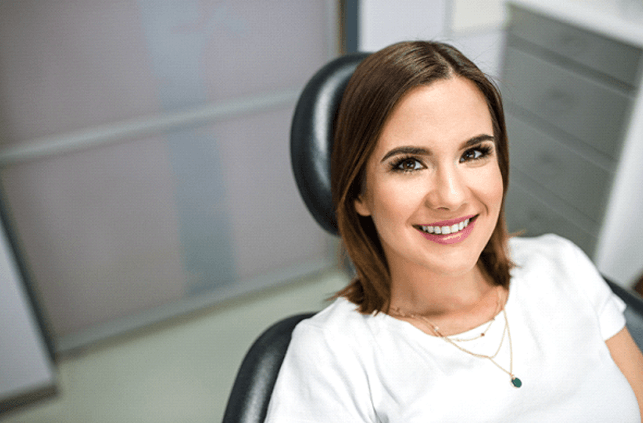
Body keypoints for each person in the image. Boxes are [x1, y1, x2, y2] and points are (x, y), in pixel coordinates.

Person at [265, 41, 643, 421]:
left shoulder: (562, 265)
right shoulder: (331, 355)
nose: (451, 196)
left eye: (474, 153)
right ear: (360, 192)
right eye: (409, 163)